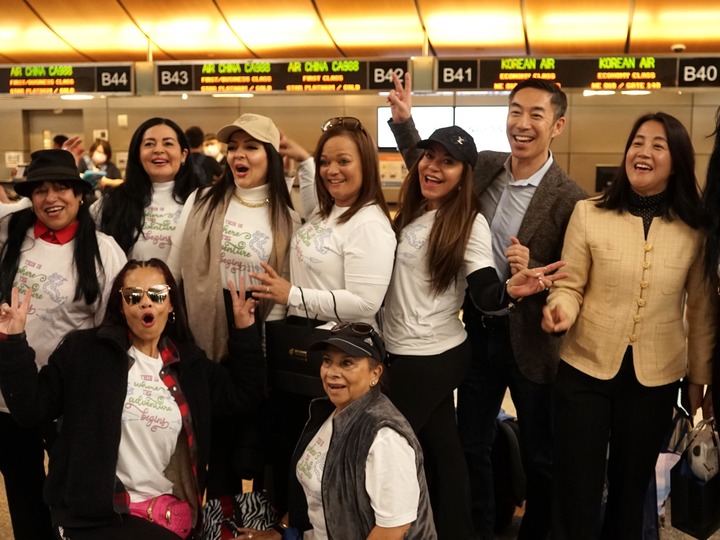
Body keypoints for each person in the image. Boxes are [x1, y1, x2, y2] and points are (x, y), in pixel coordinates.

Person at [388, 74, 587, 538]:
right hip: (477, 329)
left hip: (531, 339)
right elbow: (431, 171)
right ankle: (478, 529)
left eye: (536, 115)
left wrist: (535, 276)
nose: (522, 123)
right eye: (516, 112)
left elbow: (573, 272)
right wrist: (404, 123)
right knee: (470, 443)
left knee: (540, 454)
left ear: (557, 126)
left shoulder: (570, 197)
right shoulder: (489, 166)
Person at [0, 258, 264, 539]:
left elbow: (243, 394)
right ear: (121, 306)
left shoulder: (190, 365)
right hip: (93, 515)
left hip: (163, 511)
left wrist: (244, 330)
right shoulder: (84, 351)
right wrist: (12, 342)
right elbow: (31, 408)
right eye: (134, 296)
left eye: (157, 295)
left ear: (171, 304)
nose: (146, 302)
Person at [542, 112, 716, 539]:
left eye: (658, 145)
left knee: (630, 489)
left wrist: (700, 378)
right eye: (637, 142)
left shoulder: (694, 230)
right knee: (576, 488)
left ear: (676, 162)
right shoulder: (589, 213)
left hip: (655, 378)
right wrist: (561, 308)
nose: (644, 151)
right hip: (585, 367)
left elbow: (701, 312)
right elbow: (570, 285)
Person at [248, 115, 397, 516]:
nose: (332, 170)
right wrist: (303, 157)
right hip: (302, 345)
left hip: (338, 354)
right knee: (291, 445)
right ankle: (289, 523)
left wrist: (292, 294)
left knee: (320, 458)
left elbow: (365, 304)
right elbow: (313, 192)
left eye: (344, 161)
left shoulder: (370, 224)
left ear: (366, 165)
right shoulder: (326, 212)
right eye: (326, 161)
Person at [170, 113, 300, 498]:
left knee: (249, 448)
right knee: (208, 446)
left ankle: (247, 520)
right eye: (233, 147)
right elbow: (174, 269)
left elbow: (283, 288)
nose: (238, 155)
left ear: (270, 156)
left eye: (251, 147)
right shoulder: (201, 200)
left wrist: (263, 351)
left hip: (253, 340)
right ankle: (208, 519)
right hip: (201, 332)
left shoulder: (288, 216)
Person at [0, 149, 127, 540]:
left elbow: (112, 328)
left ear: (80, 194)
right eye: (40, 190)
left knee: (72, 494)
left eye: (61, 188)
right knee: (23, 491)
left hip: (70, 398)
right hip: (10, 394)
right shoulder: (9, 238)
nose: (51, 198)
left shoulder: (104, 250)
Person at [242, 323, 437, 540]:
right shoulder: (328, 411)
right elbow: (314, 494)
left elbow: (393, 528)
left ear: (375, 373)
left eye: (347, 363)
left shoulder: (385, 437)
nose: (332, 373)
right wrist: (282, 530)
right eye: (327, 361)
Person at [91, 118, 202, 277]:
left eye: (168, 143)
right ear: (138, 154)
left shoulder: (202, 201)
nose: (158, 150)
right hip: (130, 291)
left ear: (183, 155)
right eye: (149, 144)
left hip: (185, 293)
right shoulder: (115, 201)